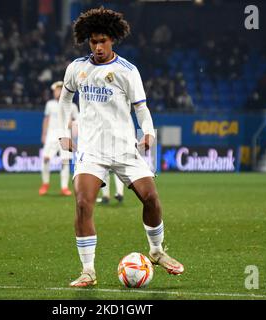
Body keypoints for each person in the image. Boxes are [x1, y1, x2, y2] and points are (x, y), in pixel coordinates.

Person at [57, 7, 184, 287]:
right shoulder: (76, 68)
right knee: (82, 203)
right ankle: (88, 270)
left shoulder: (127, 71)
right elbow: (64, 102)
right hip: (92, 150)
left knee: (150, 198)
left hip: (125, 149)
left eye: (103, 40)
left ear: (112, 39)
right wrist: (61, 134)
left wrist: (148, 133)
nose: (98, 46)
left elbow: (141, 108)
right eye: (93, 41)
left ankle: (156, 251)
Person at [39, 81, 78, 196]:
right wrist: (44, 134)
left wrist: (73, 124)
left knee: (65, 161)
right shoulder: (50, 104)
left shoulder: (72, 105)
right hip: (51, 134)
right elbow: (46, 119)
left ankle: (64, 187)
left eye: (60, 89)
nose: (58, 92)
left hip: (65, 134)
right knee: (46, 158)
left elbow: (78, 121)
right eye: (56, 90)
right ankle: (45, 183)